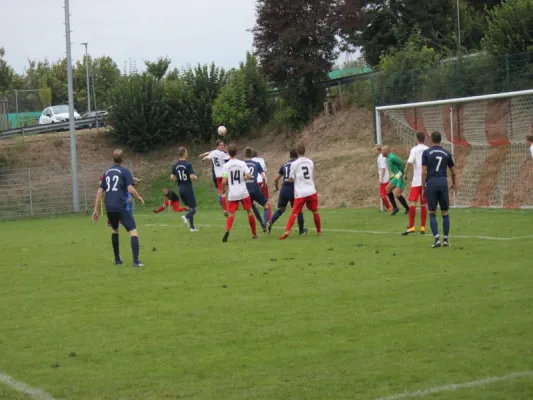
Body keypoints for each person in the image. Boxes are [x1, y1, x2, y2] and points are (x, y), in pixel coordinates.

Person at [92, 149, 145, 267]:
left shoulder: (106, 173)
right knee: (133, 232)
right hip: (120, 206)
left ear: (113, 159)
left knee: (115, 230)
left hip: (109, 207)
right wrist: (139, 197)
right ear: (123, 159)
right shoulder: (124, 171)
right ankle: (136, 262)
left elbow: (100, 191)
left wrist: (96, 209)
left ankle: (117, 259)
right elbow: (130, 189)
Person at [422, 131, 457, 248]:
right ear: (440, 140)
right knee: (445, 212)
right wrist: (454, 184)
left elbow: (423, 172)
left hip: (431, 183)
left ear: (431, 140)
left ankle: (437, 239)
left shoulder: (426, 153)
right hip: (442, 182)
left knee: (432, 212)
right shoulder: (447, 153)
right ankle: (446, 240)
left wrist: (423, 187)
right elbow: (453, 172)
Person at [280, 143, 321, 240]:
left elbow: (291, 179)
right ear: (304, 151)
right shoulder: (310, 162)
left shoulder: (294, 164)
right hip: (311, 190)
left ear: (297, 152)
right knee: (315, 211)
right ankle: (319, 231)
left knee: (294, 213)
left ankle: (287, 231)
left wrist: (293, 179)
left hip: (300, 192)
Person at [221, 144, 257, 242]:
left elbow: (224, 181)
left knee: (231, 214)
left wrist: (223, 189)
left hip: (233, 193)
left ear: (228, 153)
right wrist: (243, 178)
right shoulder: (242, 163)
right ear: (237, 152)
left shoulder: (226, 166)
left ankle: (228, 230)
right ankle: (254, 234)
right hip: (243, 192)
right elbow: (249, 176)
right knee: (249, 211)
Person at [269, 149, 307, 235]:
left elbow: (276, 179)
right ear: (297, 156)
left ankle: (270, 222)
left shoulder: (284, 165)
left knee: (281, 209)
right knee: (299, 210)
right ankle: (301, 231)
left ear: (289, 156)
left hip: (284, 189)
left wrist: (276, 188)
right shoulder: (298, 164)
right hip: (293, 189)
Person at [402, 132, 429, 235]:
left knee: (412, 202)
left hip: (417, 180)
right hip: (426, 181)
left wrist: (405, 174)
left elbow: (409, 163)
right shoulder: (428, 149)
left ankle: (412, 226)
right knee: (423, 204)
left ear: (417, 139)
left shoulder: (414, 149)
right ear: (424, 139)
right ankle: (422, 227)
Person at [171, 147, 199, 232]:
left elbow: (172, 177)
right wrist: (195, 177)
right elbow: (192, 177)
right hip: (187, 188)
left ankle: (192, 228)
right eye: (186, 151)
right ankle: (185, 217)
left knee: (190, 208)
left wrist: (179, 179)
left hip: (180, 189)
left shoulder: (175, 165)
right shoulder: (188, 164)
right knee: (194, 209)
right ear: (184, 153)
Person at [199, 140, 229, 216]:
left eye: (223, 145)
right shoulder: (223, 154)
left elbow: (208, 156)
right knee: (225, 191)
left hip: (218, 176)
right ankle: (228, 207)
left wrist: (203, 158)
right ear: (217, 146)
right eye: (221, 145)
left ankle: (225, 209)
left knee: (223, 193)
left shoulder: (213, 152)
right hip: (224, 175)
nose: (223, 146)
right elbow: (230, 157)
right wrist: (227, 151)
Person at [244, 147, 270, 232]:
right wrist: (264, 184)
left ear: (245, 154)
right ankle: (265, 222)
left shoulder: (242, 164)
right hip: (255, 187)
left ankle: (262, 223)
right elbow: (263, 176)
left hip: (246, 190)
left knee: (252, 206)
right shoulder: (256, 164)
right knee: (265, 205)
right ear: (252, 154)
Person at [381, 146, 410, 215]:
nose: (381, 152)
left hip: (400, 176)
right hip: (397, 176)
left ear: (386, 151)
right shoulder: (389, 158)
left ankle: (408, 209)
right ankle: (395, 208)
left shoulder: (392, 157)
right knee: (388, 189)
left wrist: (402, 173)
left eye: (382, 151)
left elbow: (402, 163)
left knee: (397, 194)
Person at [374, 145, 397, 213]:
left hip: (385, 178)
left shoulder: (381, 157)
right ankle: (392, 208)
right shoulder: (380, 157)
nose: (374, 151)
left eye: (375, 150)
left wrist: (381, 178)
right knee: (386, 193)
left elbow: (383, 168)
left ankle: (390, 208)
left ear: (379, 150)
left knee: (383, 194)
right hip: (385, 177)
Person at [252, 150, 272, 221]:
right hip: (263, 181)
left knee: (252, 202)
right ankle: (269, 219)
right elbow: (264, 171)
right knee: (266, 201)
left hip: (254, 183)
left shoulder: (250, 161)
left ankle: (256, 218)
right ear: (257, 155)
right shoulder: (261, 160)